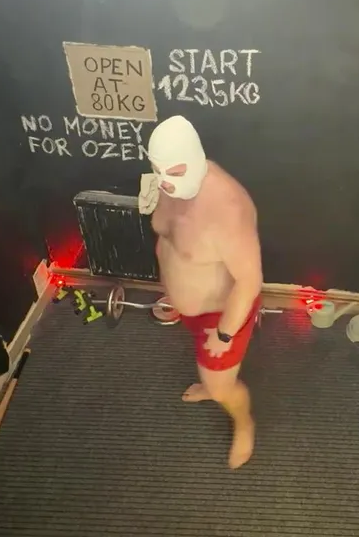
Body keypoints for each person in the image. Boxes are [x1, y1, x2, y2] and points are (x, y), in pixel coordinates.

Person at [142, 115, 262, 469]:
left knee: (223, 386)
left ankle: (244, 423)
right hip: (188, 308)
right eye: (158, 171)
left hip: (221, 316)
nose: (165, 181)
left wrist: (225, 334)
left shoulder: (228, 208)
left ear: (196, 159)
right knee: (211, 378)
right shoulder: (166, 184)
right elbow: (172, 241)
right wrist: (172, 288)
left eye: (175, 172)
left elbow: (249, 282)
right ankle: (212, 386)